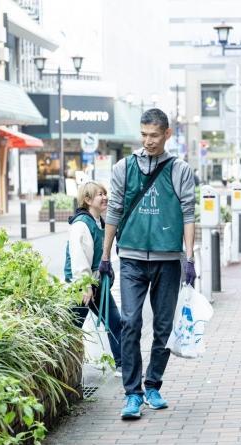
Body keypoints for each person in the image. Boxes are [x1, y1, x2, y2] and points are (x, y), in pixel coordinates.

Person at [101, 108, 196, 420]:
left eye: (154, 135)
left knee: (163, 326)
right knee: (130, 322)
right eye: (143, 135)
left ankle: (153, 384)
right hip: (131, 258)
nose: (148, 141)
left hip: (168, 259)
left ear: (167, 134)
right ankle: (133, 393)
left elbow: (188, 214)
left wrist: (190, 258)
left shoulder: (179, 169)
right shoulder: (124, 168)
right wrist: (105, 257)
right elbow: (114, 211)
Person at [64, 181, 123, 377]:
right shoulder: (81, 224)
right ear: (88, 200)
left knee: (115, 322)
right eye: (100, 194)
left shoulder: (99, 222)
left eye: (105, 193)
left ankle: (123, 366)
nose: (105, 197)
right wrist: (85, 285)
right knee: (71, 329)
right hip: (81, 286)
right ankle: (63, 370)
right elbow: (78, 256)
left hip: (96, 284)